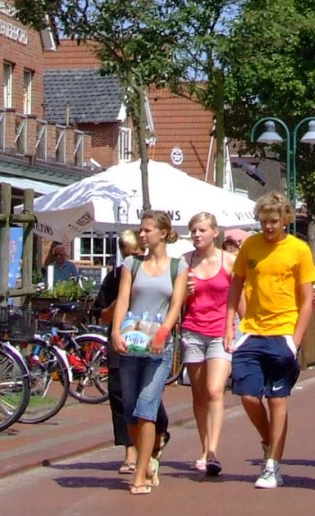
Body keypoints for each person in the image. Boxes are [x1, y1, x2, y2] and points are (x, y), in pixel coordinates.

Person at [227, 192, 315, 490]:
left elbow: (307, 300)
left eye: (274, 221)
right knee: (249, 396)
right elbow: (236, 285)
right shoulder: (250, 246)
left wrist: (295, 340)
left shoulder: (299, 250)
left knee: (278, 400)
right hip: (252, 331)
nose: (268, 227)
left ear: (286, 220)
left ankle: (272, 465)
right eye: (264, 221)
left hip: (283, 332)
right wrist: (231, 325)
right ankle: (269, 440)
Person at [111, 211, 190, 495]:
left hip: (159, 347)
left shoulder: (177, 267)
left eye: (147, 230)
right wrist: (116, 332)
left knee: (146, 407)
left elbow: (176, 306)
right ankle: (148, 461)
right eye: (141, 230)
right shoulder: (131, 264)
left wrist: (163, 333)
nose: (142, 235)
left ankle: (141, 473)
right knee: (131, 410)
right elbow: (122, 300)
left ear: (163, 232)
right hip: (132, 344)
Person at [94, 229, 169, 476]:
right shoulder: (115, 277)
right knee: (120, 397)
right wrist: (119, 304)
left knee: (147, 397)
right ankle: (130, 452)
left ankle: (159, 431)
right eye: (127, 254)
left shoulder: (155, 272)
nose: (132, 258)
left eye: (137, 253)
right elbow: (101, 314)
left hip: (149, 342)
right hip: (121, 342)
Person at [180, 212, 234, 477]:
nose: (197, 235)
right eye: (193, 231)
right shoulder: (184, 263)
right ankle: (203, 448)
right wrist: (183, 293)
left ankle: (213, 451)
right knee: (199, 393)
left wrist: (239, 329)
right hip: (192, 331)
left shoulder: (229, 261)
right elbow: (175, 301)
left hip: (220, 332)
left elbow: (238, 298)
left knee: (215, 390)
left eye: (201, 230)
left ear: (215, 232)